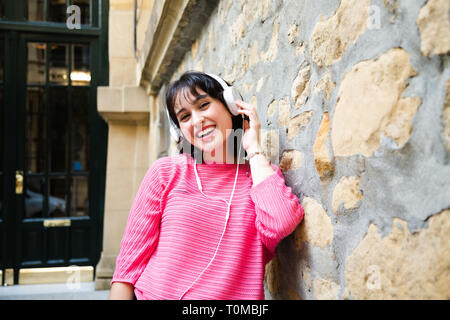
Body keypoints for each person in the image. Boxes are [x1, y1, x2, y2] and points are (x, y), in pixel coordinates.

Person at [109, 71, 304, 300]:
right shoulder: (166, 172)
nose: (197, 120)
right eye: (184, 117)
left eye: (203, 105)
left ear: (231, 105)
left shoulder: (259, 178)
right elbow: (128, 267)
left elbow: (282, 222)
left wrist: (253, 149)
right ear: (179, 131)